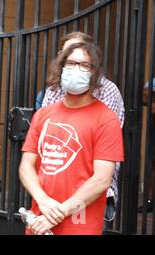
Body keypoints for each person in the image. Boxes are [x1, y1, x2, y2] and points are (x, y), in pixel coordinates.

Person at [19, 41, 124, 235]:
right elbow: (26, 166)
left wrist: (59, 212)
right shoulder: (43, 114)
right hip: (39, 222)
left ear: (94, 73)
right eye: (71, 63)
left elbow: (102, 179)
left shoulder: (106, 119)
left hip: (79, 225)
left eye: (85, 65)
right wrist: (43, 201)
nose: (76, 69)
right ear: (61, 67)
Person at [138, 77, 155, 213]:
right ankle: (150, 201)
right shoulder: (151, 81)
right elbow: (144, 96)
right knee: (151, 166)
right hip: (153, 130)